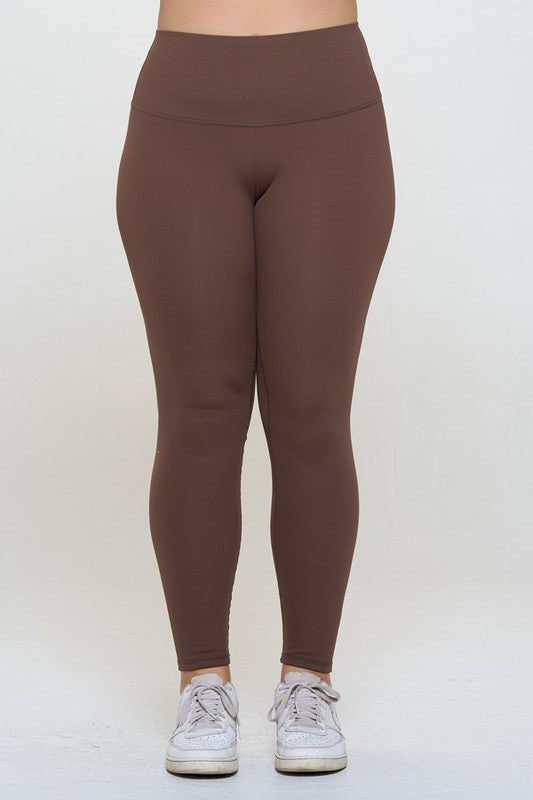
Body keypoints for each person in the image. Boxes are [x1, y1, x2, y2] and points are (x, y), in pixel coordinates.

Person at [115, 0, 395, 776]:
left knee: (310, 407)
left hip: (330, 101)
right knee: (199, 405)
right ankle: (202, 683)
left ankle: (308, 681)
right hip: (182, 105)